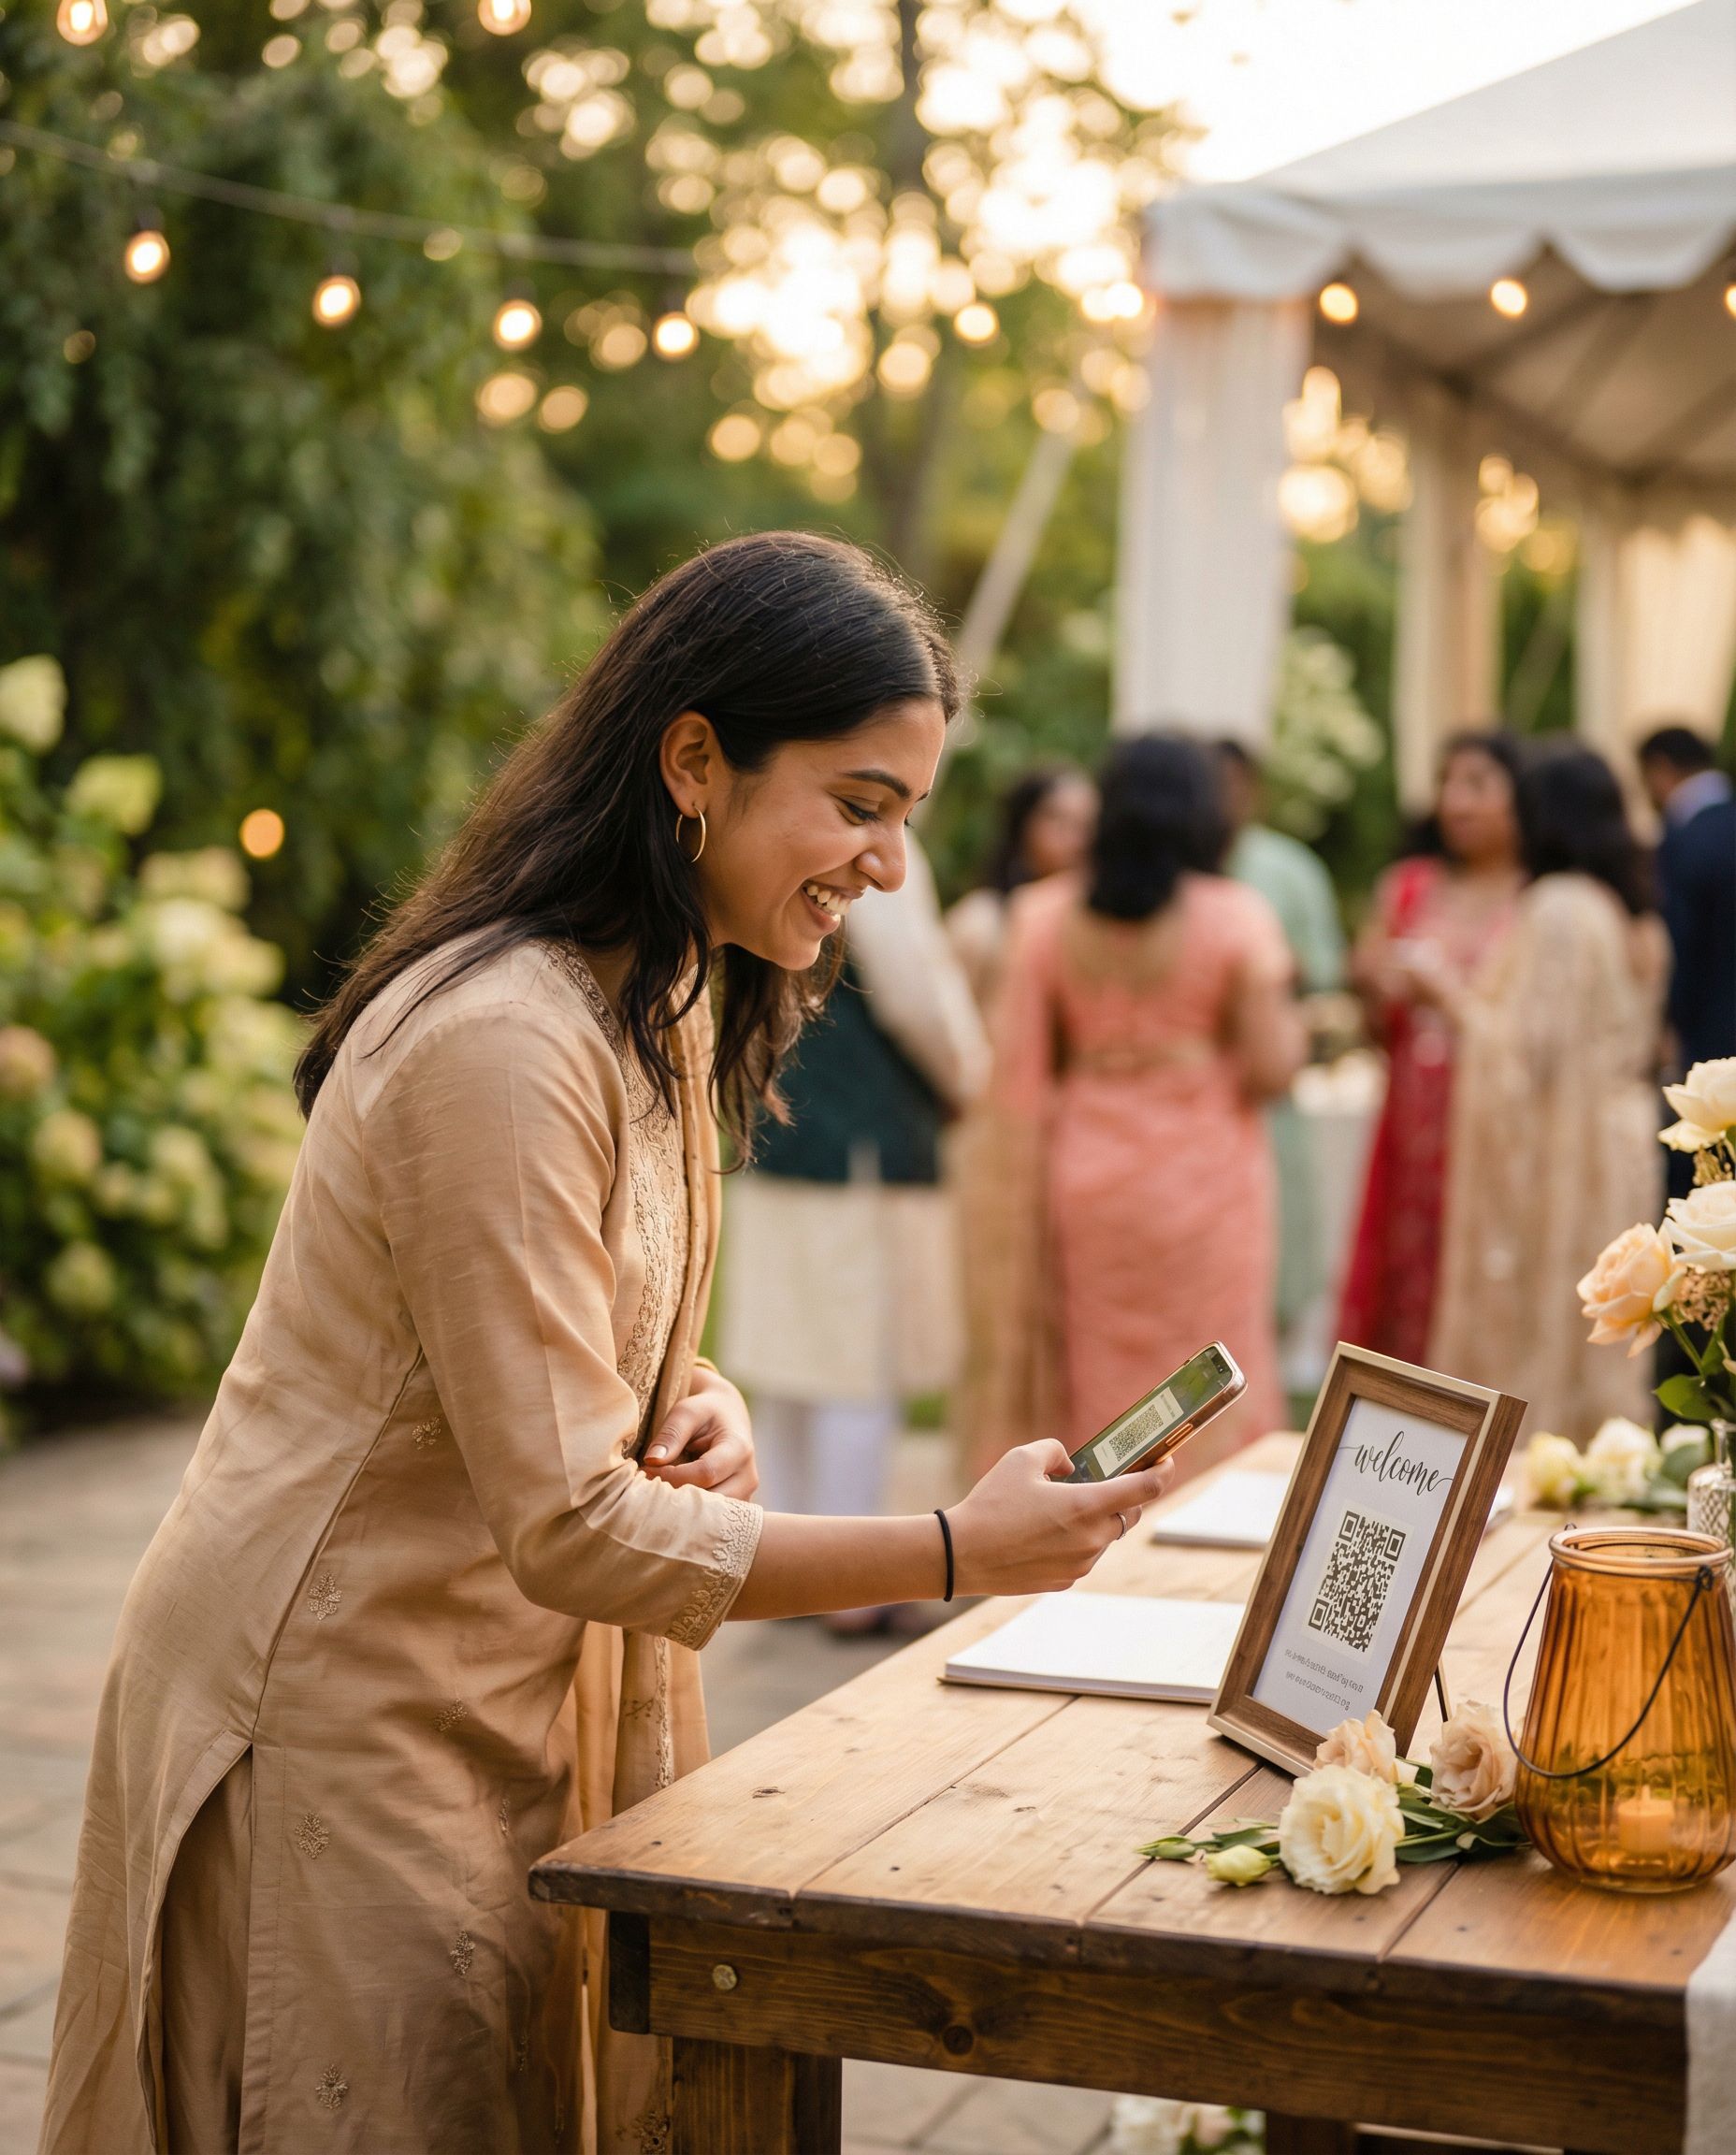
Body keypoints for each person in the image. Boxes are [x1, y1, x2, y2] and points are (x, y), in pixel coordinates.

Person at [37, 534, 1171, 2155]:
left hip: (490, 1664)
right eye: (858, 803)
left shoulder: (664, 991)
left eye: (903, 814)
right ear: (693, 761)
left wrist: (689, 1393)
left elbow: (583, 1312)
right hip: (333, 1694)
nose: (886, 866)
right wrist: (948, 1544)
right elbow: (569, 1512)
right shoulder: (503, 1039)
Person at [975, 734, 1304, 1480]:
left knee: (1095, 1366)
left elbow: (1019, 1069)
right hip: (1205, 1174)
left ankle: (1097, 1523)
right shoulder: (1235, 915)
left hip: (1087, 1173)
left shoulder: (1044, 914)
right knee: (1216, 1360)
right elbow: (1273, 1065)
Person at [716, 830, 987, 1633]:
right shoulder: (875, 846)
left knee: (791, 1361)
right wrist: (970, 1074)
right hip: (863, 1140)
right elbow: (916, 997)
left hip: (775, 1126)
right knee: (855, 1361)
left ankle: (772, 1567)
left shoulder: (757, 832)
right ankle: (845, 1585)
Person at [1427, 743, 1668, 1437]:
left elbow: (1527, 1050)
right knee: (1606, 1317)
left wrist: (1449, 995)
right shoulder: (1628, 907)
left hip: (1570, 1146)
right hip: (1616, 1134)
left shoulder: (1559, 908)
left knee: (1554, 1317)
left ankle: (1545, 1455)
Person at [1337, 731, 1526, 1366]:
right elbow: (1372, 1022)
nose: (1457, 802)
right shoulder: (1409, 887)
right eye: (1447, 783)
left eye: (1477, 784)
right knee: (1404, 1257)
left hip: (1494, 1119)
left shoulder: (1536, 898)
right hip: (1411, 1118)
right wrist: (1372, 983)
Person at [1217, 738, 1346, 1344]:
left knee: (1276, 1224)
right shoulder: (1169, 870)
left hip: (1266, 1083)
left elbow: (1323, 972)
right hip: (1192, 1094)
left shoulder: (1288, 869)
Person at [944, 763, 1096, 1013]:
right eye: (1060, 820)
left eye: (1087, 827)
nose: (1077, 841)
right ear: (1023, 825)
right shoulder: (981, 922)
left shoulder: (1087, 933)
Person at [1638, 722, 1735, 1081]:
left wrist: (1668, 1022)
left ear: (1659, 768)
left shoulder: (1683, 840)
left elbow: (1680, 943)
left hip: (1709, 1040)